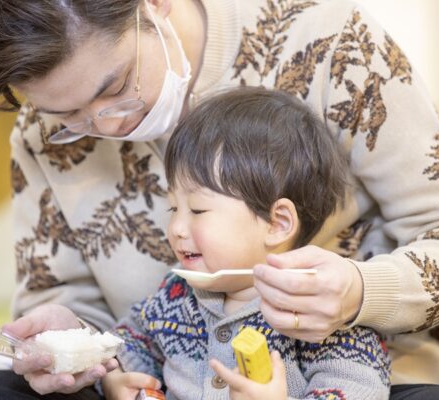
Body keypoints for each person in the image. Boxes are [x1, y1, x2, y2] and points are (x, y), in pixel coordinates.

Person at [0, 0, 439, 399]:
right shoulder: (39, 134)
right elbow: (81, 311)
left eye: (116, 88)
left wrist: (359, 293)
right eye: (67, 119)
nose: (107, 126)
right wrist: (79, 349)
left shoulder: (329, 43)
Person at [108, 86, 391, 400]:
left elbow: (358, 387)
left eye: (198, 210)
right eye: (174, 208)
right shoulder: (176, 295)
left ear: (277, 224)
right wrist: (117, 375)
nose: (176, 228)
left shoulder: (320, 310)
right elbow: (130, 341)